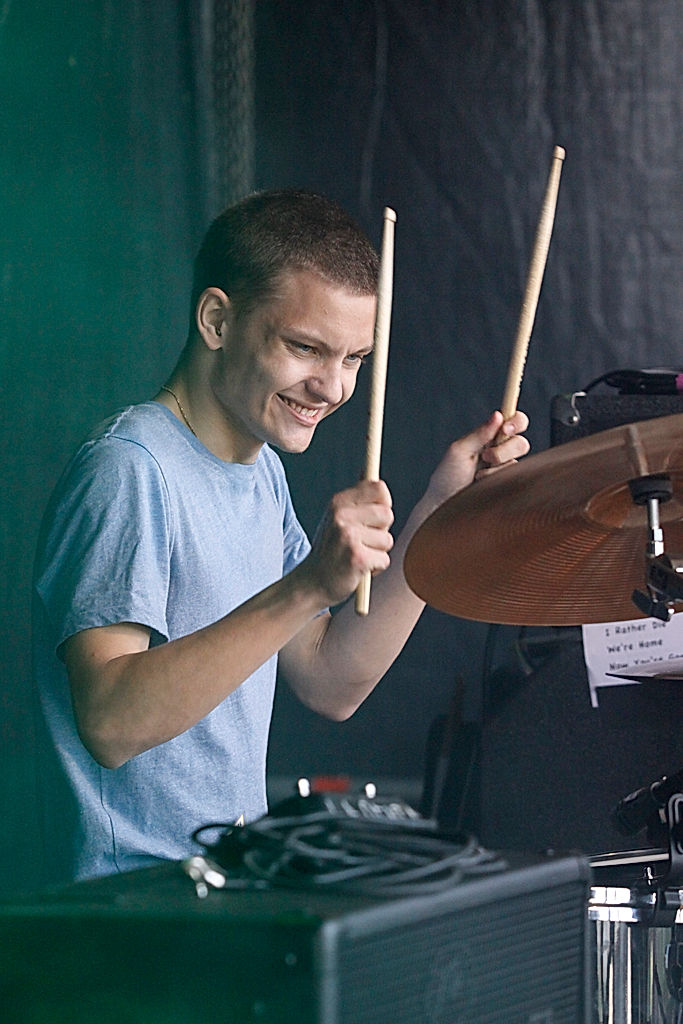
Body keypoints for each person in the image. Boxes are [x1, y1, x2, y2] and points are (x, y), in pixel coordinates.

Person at [32, 189, 529, 885]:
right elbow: (111, 723)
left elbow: (331, 682)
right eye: (304, 347)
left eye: (356, 358)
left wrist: (440, 512)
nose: (332, 386)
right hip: (126, 916)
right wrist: (304, 587)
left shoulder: (257, 471)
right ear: (217, 320)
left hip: (219, 894)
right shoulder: (129, 468)